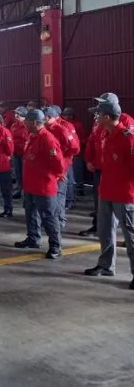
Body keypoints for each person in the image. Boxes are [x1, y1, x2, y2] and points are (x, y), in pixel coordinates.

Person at [84, 101, 134, 290]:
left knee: (130, 235)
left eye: (98, 114)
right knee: (105, 232)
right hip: (106, 191)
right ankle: (106, 265)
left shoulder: (128, 137)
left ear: (107, 116)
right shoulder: (105, 134)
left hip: (124, 194)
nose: (95, 117)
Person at [14, 109, 65, 259]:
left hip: (43, 185)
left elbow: (58, 164)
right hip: (31, 184)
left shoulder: (47, 139)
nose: (25, 125)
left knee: (49, 217)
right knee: (30, 213)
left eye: (27, 122)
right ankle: (33, 238)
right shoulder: (33, 136)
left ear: (36, 122)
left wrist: (53, 177)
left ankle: (55, 246)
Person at [44, 106, 79, 228]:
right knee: (50, 194)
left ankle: (60, 220)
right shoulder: (44, 129)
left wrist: (63, 155)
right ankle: (51, 219)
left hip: (62, 164)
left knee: (59, 193)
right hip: (48, 166)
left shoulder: (63, 128)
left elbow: (75, 147)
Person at [62, 107, 86, 196]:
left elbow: (81, 138)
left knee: (77, 171)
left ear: (72, 116)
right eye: (65, 115)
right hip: (68, 153)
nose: (66, 117)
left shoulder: (77, 125)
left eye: (68, 115)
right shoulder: (63, 124)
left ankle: (79, 189)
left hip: (76, 152)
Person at [10, 107, 29, 200]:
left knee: (26, 173)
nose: (16, 116)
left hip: (25, 154)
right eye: (16, 114)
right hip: (15, 153)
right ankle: (19, 188)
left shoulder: (28, 126)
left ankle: (26, 191)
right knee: (18, 172)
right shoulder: (14, 125)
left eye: (19, 114)